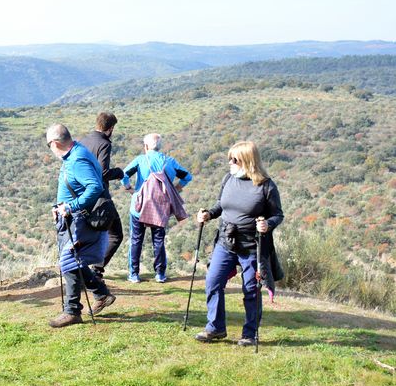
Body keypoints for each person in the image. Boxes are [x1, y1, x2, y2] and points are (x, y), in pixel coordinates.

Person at [195, 141, 284, 346]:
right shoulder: (229, 179)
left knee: (251, 289)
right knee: (213, 281)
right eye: (229, 158)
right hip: (226, 241)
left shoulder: (266, 186)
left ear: (247, 161)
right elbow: (221, 205)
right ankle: (215, 328)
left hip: (252, 245)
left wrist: (267, 225)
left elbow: (278, 215)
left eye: (234, 159)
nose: (230, 163)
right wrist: (208, 214)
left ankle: (249, 334)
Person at [46, 124, 116, 328]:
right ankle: (102, 294)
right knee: (75, 259)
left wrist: (70, 206)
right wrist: (58, 206)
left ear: (55, 143)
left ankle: (72, 311)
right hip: (72, 216)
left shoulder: (77, 159)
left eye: (48, 145)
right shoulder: (75, 154)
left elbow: (94, 186)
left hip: (79, 219)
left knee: (69, 260)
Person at [121, 133, 192, 283]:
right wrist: (177, 188)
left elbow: (123, 174)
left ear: (146, 146)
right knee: (159, 240)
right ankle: (160, 274)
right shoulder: (169, 161)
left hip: (139, 206)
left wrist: (129, 188)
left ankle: (134, 274)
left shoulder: (141, 160)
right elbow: (187, 177)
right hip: (160, 206)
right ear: (160, 147)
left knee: (136, 239)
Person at [78, 111, 125, 279]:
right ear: (111, 128)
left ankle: (82, 269)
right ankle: (96, 271)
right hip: (100, 195)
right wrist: (119, 172)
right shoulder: (104, 143)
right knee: (116, 234)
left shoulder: (83, 141)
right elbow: (103, 172)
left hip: (82, 194)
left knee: (90, 233)